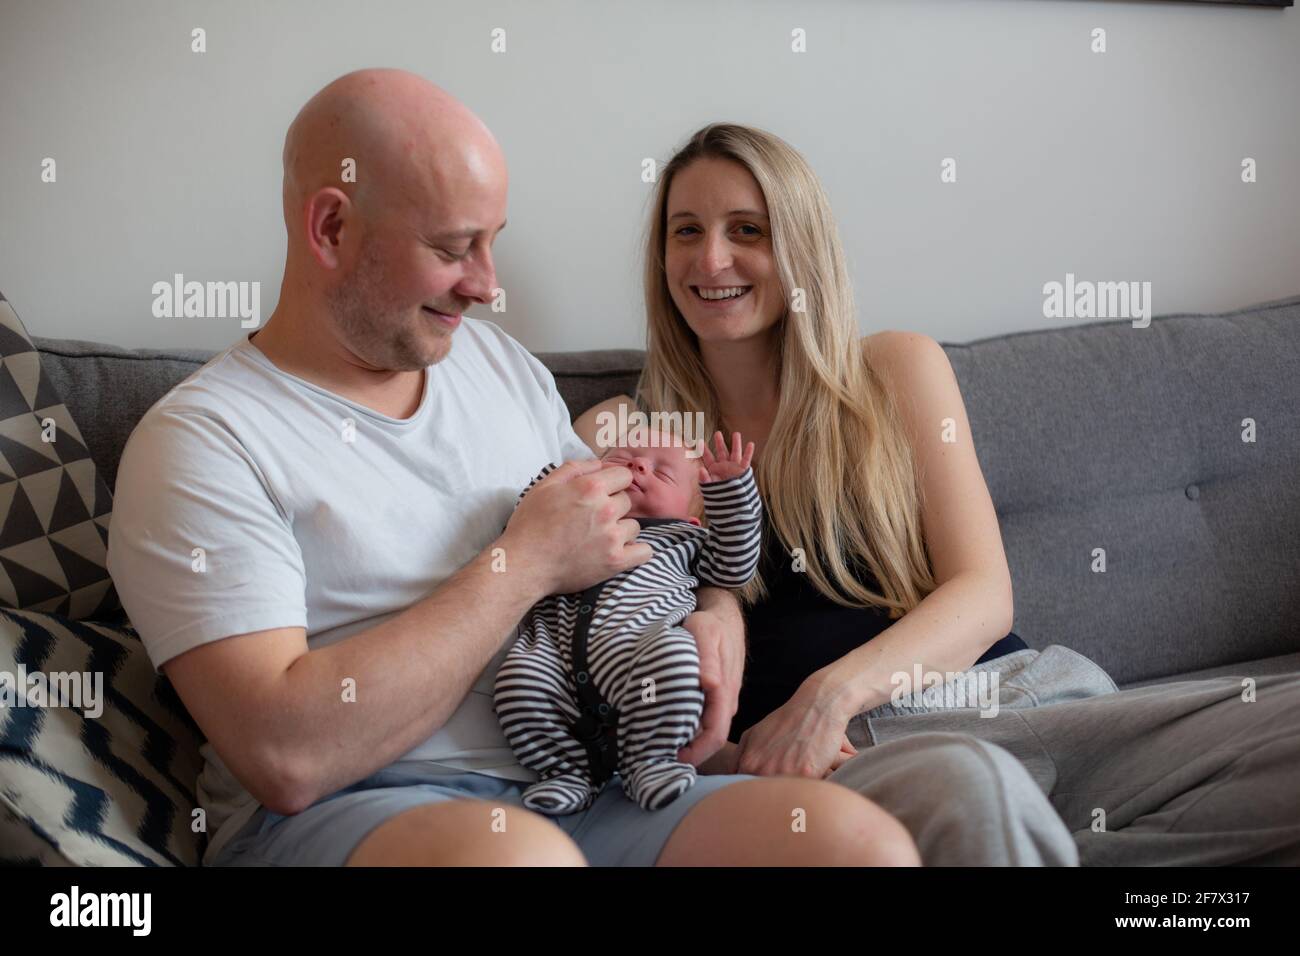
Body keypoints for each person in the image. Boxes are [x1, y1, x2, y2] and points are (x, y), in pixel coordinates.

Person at [105, 70, 921, 867]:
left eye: (494, 243)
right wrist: (522, 561)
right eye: (455, 248)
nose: (489, 287)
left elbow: (626, 547)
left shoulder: (495, 365)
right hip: (362, 806)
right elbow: (287, 757)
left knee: (857, 842)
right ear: (330, 228)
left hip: (591, 791)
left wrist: (716, 610)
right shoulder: (203, 442)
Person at [576, 121, 1300, 866]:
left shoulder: (893, 371)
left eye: (747, 229)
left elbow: (985, 595)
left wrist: (827, 696)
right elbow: (623, 659)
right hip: (868, 758)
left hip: (1023, 697)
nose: (711, 258)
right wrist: (736, 741)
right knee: (972, 789)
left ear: (801, 247)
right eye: (685, 230)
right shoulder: (635, 434)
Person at [496, 427, 762, 815]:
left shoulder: (684, 540)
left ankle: (651, 762)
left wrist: (730, 492)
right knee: (519, 678)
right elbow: (527, 522)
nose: (639, 464)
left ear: (693, 517)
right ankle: (568, 771)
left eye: (663, 472)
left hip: (643, 652)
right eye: (624, 458)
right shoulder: (570, 527)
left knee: (677, 656)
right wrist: (557, 488)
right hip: (554, 655)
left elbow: (734, 567)